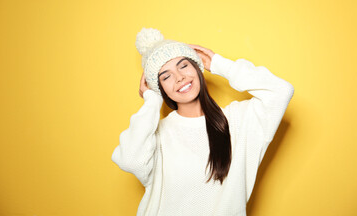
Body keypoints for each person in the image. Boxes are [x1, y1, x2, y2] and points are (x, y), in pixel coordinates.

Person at [111, 27, 294, 216]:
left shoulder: (238, 120)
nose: (179, 77)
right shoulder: (156, 136)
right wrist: (152, 100)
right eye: (166, 76)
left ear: (197, 68)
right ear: (160, 88)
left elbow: (281, 91)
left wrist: (218, 64)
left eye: (183, 66)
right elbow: (131, 160)